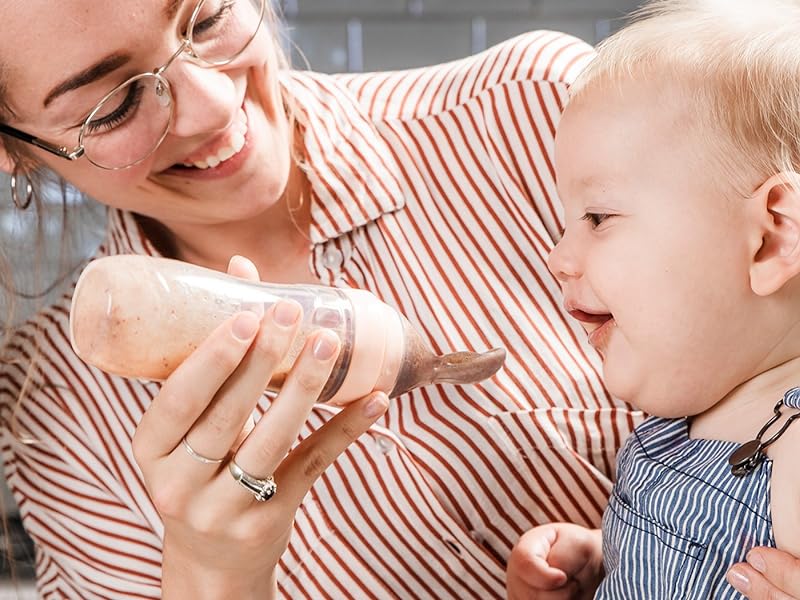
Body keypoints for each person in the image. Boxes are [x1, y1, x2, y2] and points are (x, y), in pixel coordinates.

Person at [0, 2, 794, 600]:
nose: (210, 104)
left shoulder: (535, 113)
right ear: (14, 152)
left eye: (206, 18)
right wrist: (212, 571)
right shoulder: (57, 420)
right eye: (111, 103)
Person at [505, 0, 800, 599]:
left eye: (597, 216)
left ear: (769, 239)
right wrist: (607, 557)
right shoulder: (692, 413)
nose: (558, 257)